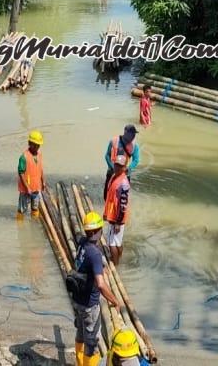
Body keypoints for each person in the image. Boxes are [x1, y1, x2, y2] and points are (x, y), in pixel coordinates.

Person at [73, 211, 121, 366]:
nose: (102, 231)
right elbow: (100, 284)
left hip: (77, 299)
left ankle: (79, 363)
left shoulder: (82, 243)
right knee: (92, 342)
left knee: (80, 334)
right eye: (100, 229)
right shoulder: (94, 254)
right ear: (96, 232)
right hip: (89, 305)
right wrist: (115, 300)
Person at [103, 153, 131, 267]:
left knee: (111, 243)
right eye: (116, 165)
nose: (117, 167)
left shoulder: (123, 183)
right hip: (114, 215)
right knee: (117, 241)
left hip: (116, 217)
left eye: (120, 166)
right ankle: (118, 259)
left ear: (124, 168)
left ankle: (115, 265)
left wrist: (118, 222)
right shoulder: (115, 176)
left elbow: (123, 204)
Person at [103, 125, 140, 198]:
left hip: (125, 175)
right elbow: (107, 155)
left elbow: (136, 160)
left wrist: (128, 168)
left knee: (122, 197)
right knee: (107, 195)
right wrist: (112, 167)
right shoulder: (114, 141)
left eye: (134, 134)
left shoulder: (135, 146)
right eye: (132, 134)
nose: (134, 136)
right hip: (112, 172)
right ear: (125, 132)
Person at [17, 130, 46, 220]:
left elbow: (41, 168)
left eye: (38, 145)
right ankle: (20, 227)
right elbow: (21, 173)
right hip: (26, 189)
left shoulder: (39, 154)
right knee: (22, 209)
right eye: (35, 145)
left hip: (37, 187)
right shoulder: (24, 157)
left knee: (35, 207)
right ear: (30, 143)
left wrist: (43, 181)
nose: (37, 147)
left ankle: (34, 223)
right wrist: (27, 187)